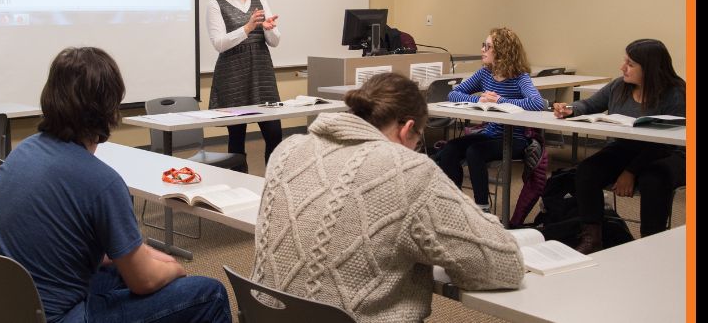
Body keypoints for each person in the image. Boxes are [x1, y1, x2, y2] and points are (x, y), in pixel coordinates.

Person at [0, 47, 230, 323]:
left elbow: (86, 247)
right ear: (108, 108)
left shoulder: (22, 152)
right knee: (210, 293)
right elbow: (143, 281)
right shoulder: (102, 182)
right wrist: (175, 270)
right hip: (58, 317)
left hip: (3, 307)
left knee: (115, 272)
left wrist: (145, 255)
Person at [253, 73, 525, 322]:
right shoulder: (407, 168)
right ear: (407, 129)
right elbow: (503, 265)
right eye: (418, 139)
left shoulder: (286, 150)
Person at [553, 38, 686, 253]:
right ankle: (592, 238)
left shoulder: (676, 93)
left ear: (650, 68)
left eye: (631, 64)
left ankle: (651, 244)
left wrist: (630, 171)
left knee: (653, 179)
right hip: (626, 148)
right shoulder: (619, 86)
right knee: (587, 171)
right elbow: (589, 104)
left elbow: (666, 143)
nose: (622, 67)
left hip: (667, 152)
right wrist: (570, 109)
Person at [435, 27, 547, 212]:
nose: (482, 50)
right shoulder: (485, 73)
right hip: (491, 134)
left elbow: (537, 103)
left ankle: (482, 208)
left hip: (516, 139)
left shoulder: (519, 77)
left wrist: (501, 101)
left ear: (502, 51)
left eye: (487, 46)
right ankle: (453, 204)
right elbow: (453, 93)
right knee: (450, 149)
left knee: (474, 151)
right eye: (483, 45)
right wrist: (477, 99)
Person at [207, 0, 282, 171]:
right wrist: (248, 27)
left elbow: (275, 41)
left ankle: (272, 185)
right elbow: (219, 43)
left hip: (261, 73)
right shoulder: (216, 4)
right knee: (237, 138)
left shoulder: (260, 0)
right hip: (233, 74)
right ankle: (240, 188)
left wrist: (269, 29)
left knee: (274, 134)